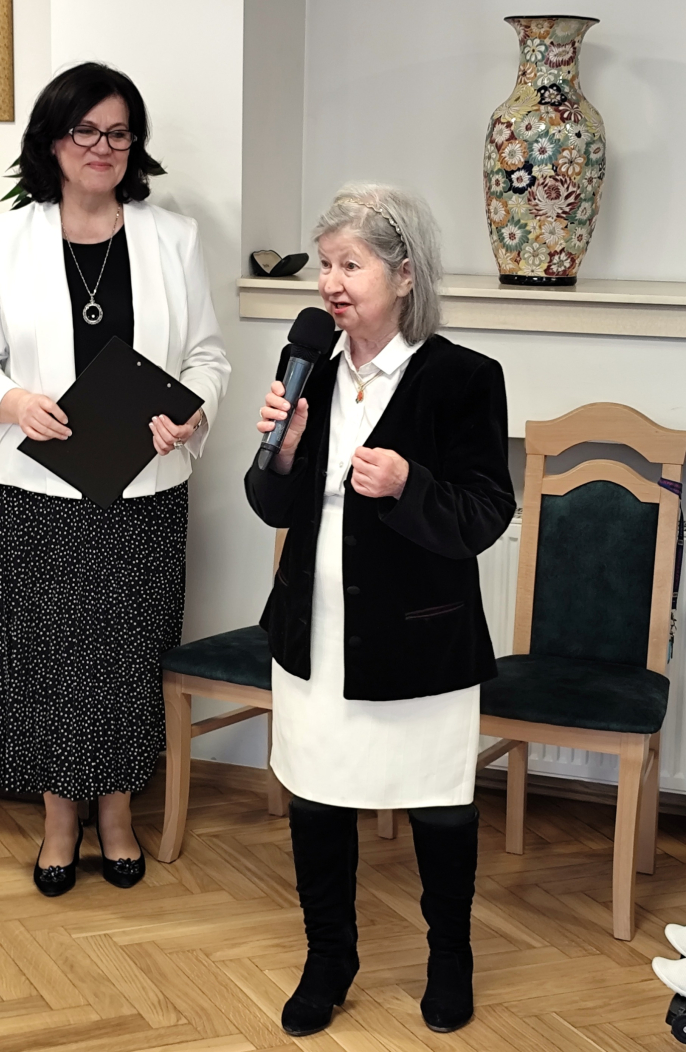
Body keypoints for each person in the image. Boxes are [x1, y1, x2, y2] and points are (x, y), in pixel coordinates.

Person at [0, 62, 229, 897]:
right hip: (41, 490)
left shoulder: (173, 238)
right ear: (53, 140)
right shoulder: (4, 239)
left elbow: (208, 358)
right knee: (49, 662)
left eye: (119, 132)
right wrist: (13, 401)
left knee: (129, 657)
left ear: (134, 145)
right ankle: (59, 822)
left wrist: (192, 414)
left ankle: (118, 814)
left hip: (145, 488)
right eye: (86, 131)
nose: (102, 147)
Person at [245, 184, 515, 1036]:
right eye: (324, 264)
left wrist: (409, 485)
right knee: (317, 801)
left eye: (350, 265)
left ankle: (450, 958)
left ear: (403, 276)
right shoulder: (311, 371)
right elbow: (269, 504)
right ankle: (329, 958)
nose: (331, 282)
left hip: (420, 642)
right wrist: (282, 453)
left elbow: (485, 514)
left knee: (439, 806)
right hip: (315, 634)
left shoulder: (464, 379)